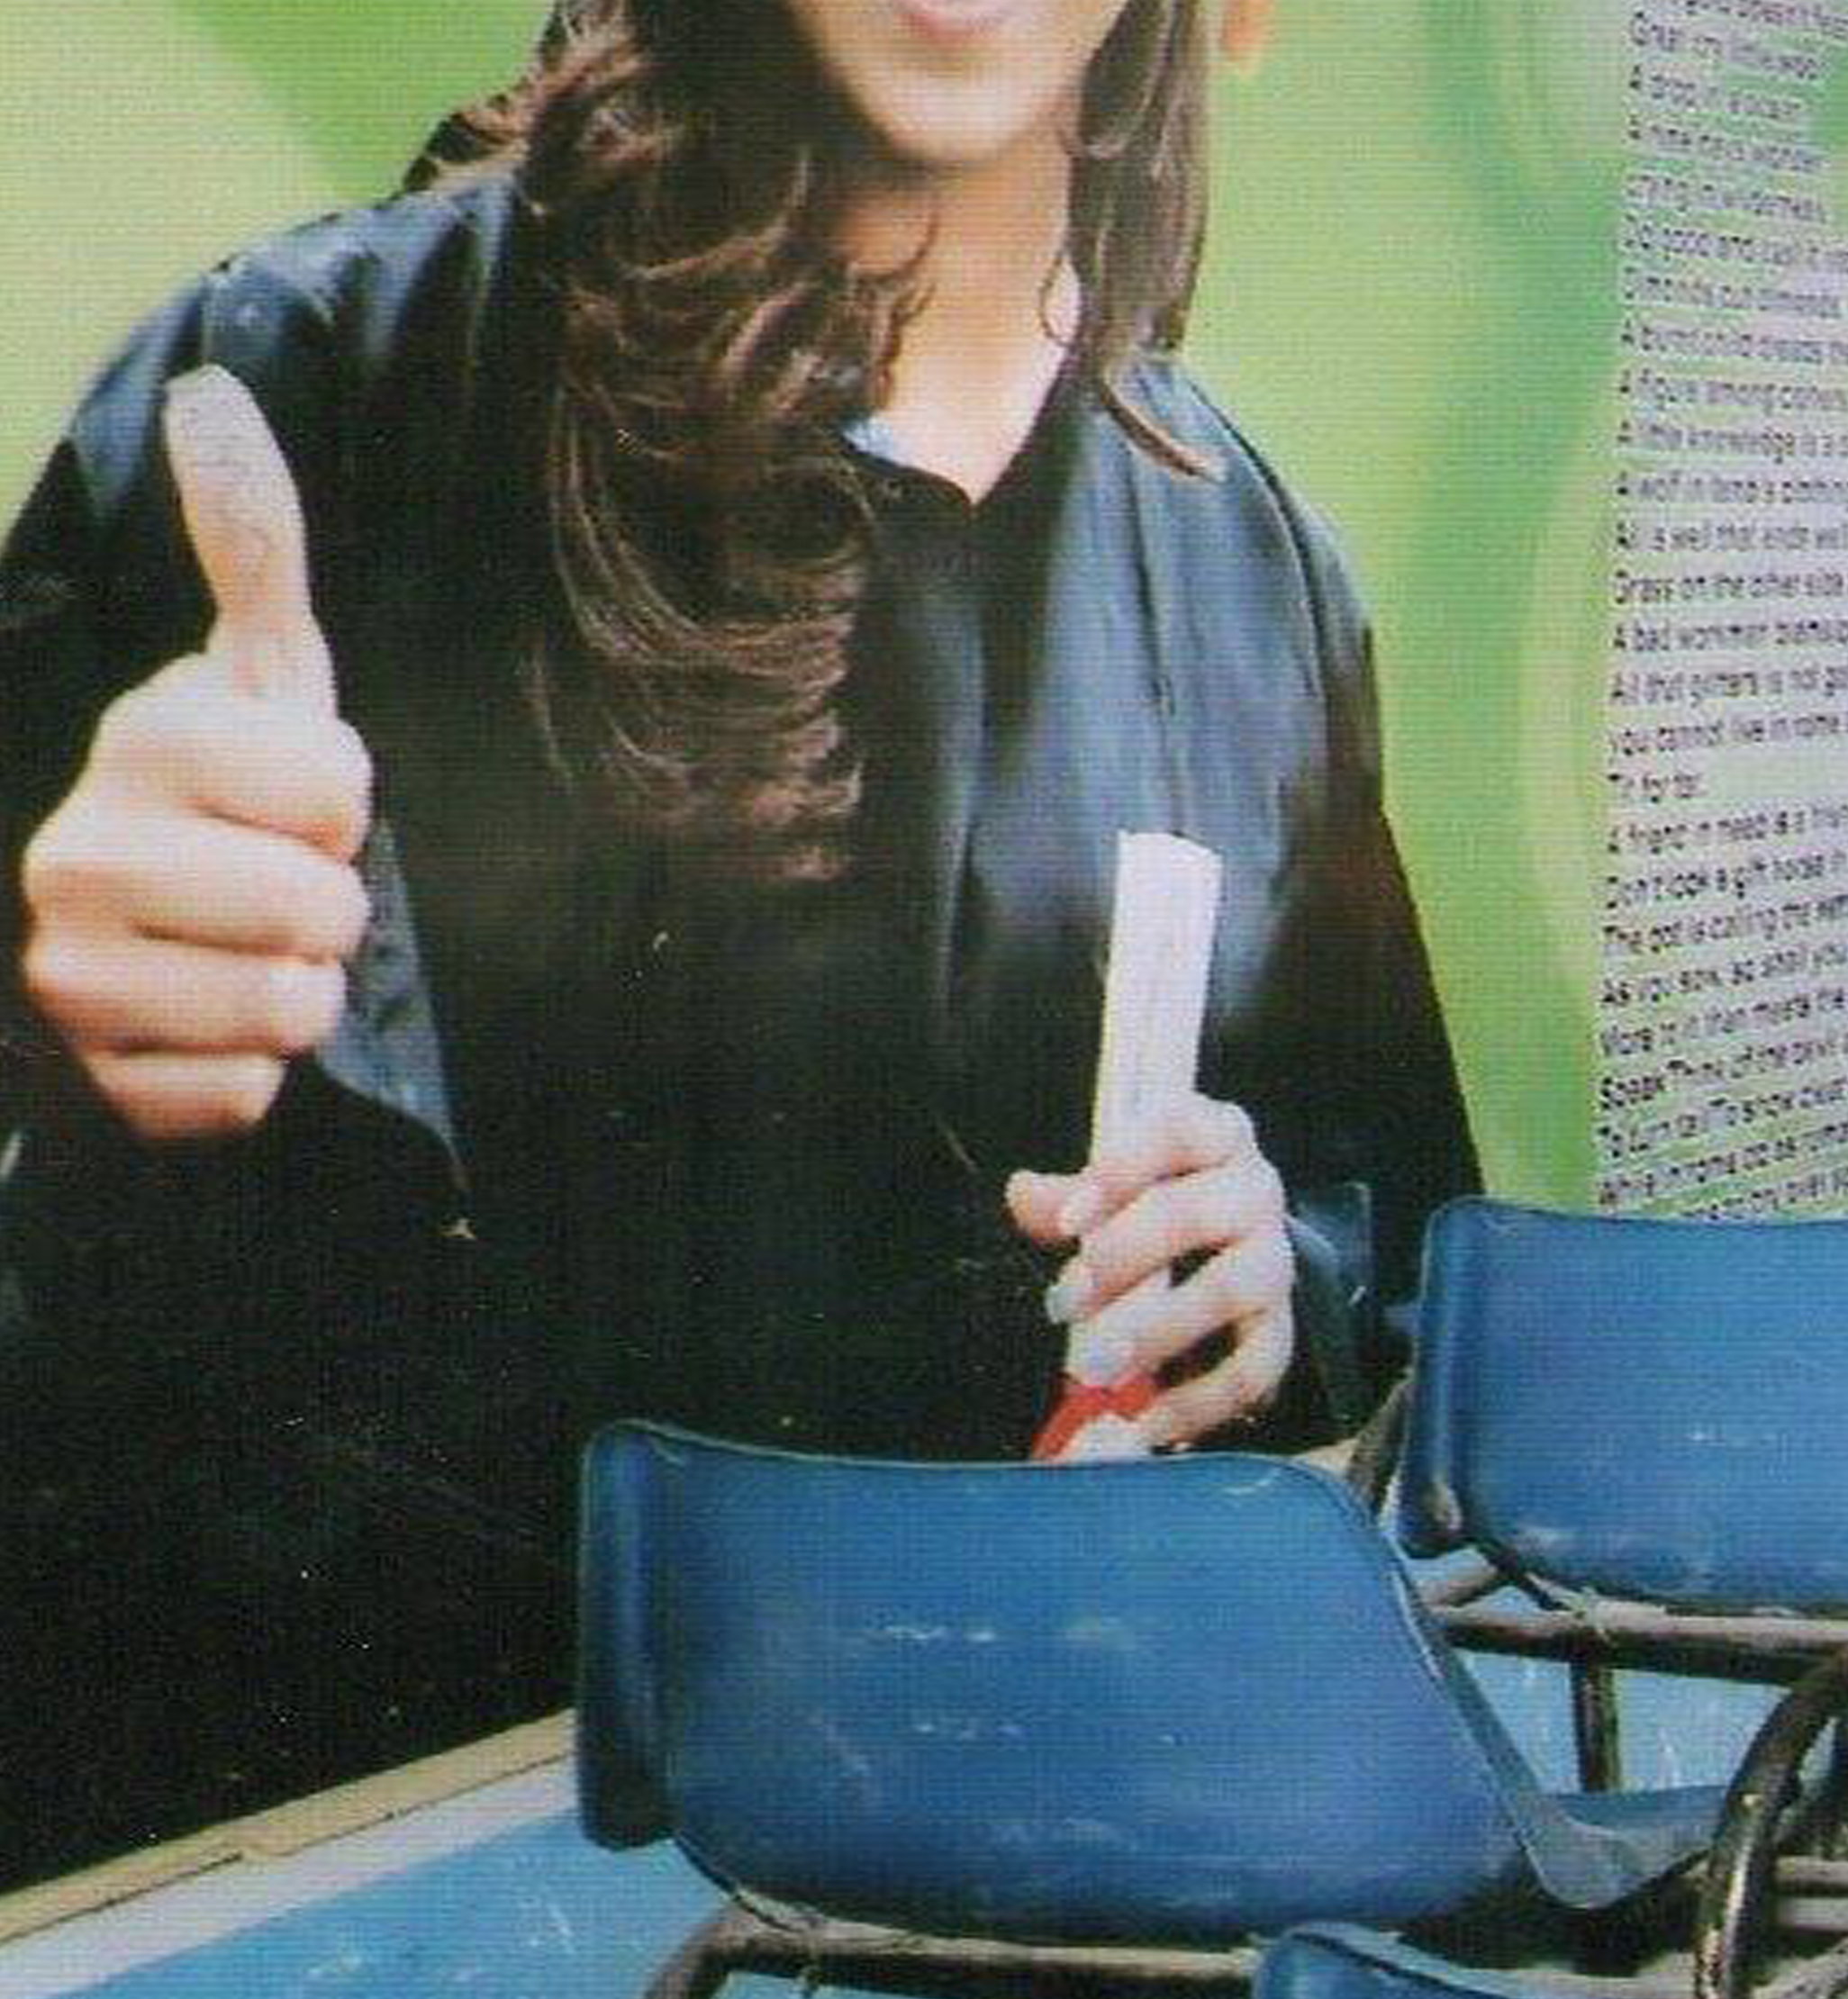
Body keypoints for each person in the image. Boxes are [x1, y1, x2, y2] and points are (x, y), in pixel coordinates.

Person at [0, 0, 1479, 1883]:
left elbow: (1395, 1216)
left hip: (1012, 1851)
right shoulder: (319, 386)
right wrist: (74, 1028)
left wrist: (1283, 1281)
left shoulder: (1257, 570)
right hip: (375, 1895)